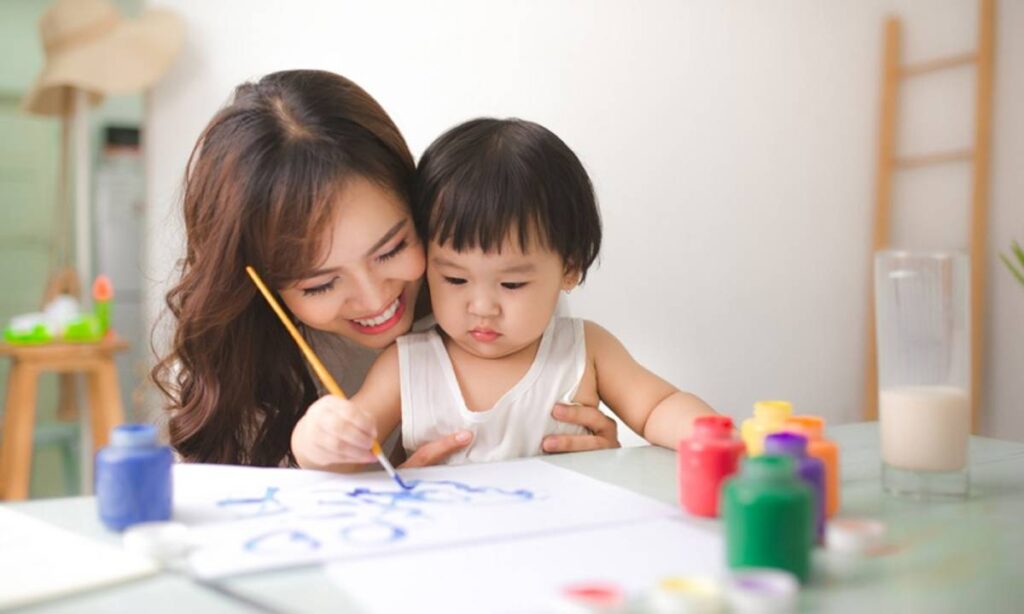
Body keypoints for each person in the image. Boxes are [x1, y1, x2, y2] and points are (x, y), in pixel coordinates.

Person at [153, 70, 620, 468]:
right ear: (258, 284)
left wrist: (591, 457)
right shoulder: (224, 373)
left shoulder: (493, 294)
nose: (376, 299)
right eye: (321, 283)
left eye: (391, 249)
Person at [299, 118, 717, 470]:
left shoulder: (585, 350)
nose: (482, 307)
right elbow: (351, 448)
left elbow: (658, 407)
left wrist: (716, 437)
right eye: (455, 280)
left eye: (512, 284)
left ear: (569, 269)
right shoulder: (408, 363)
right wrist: (320, 437)